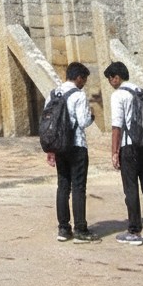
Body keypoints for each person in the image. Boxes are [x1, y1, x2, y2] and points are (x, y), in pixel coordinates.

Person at [105, 61, 143, 246]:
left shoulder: (119, 95)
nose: (110, 83)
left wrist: (114, 152)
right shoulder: (141, 91)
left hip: (129, 146)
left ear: (116, 77)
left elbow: (117, 126)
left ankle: (134, 231)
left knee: (130, 189)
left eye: (110, 79)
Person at [45, 62, 98, 243]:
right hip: (76, 145)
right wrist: (92, 117)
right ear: (78, 78)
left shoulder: (53, 94)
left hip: (60, 146)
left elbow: (49, 123)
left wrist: (51, 148)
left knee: (63, 186)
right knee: (78, 187)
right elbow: (83, 122)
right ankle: (80, 230)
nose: (83, 83)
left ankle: (63, 228)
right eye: (83, 80)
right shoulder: (78, 95)